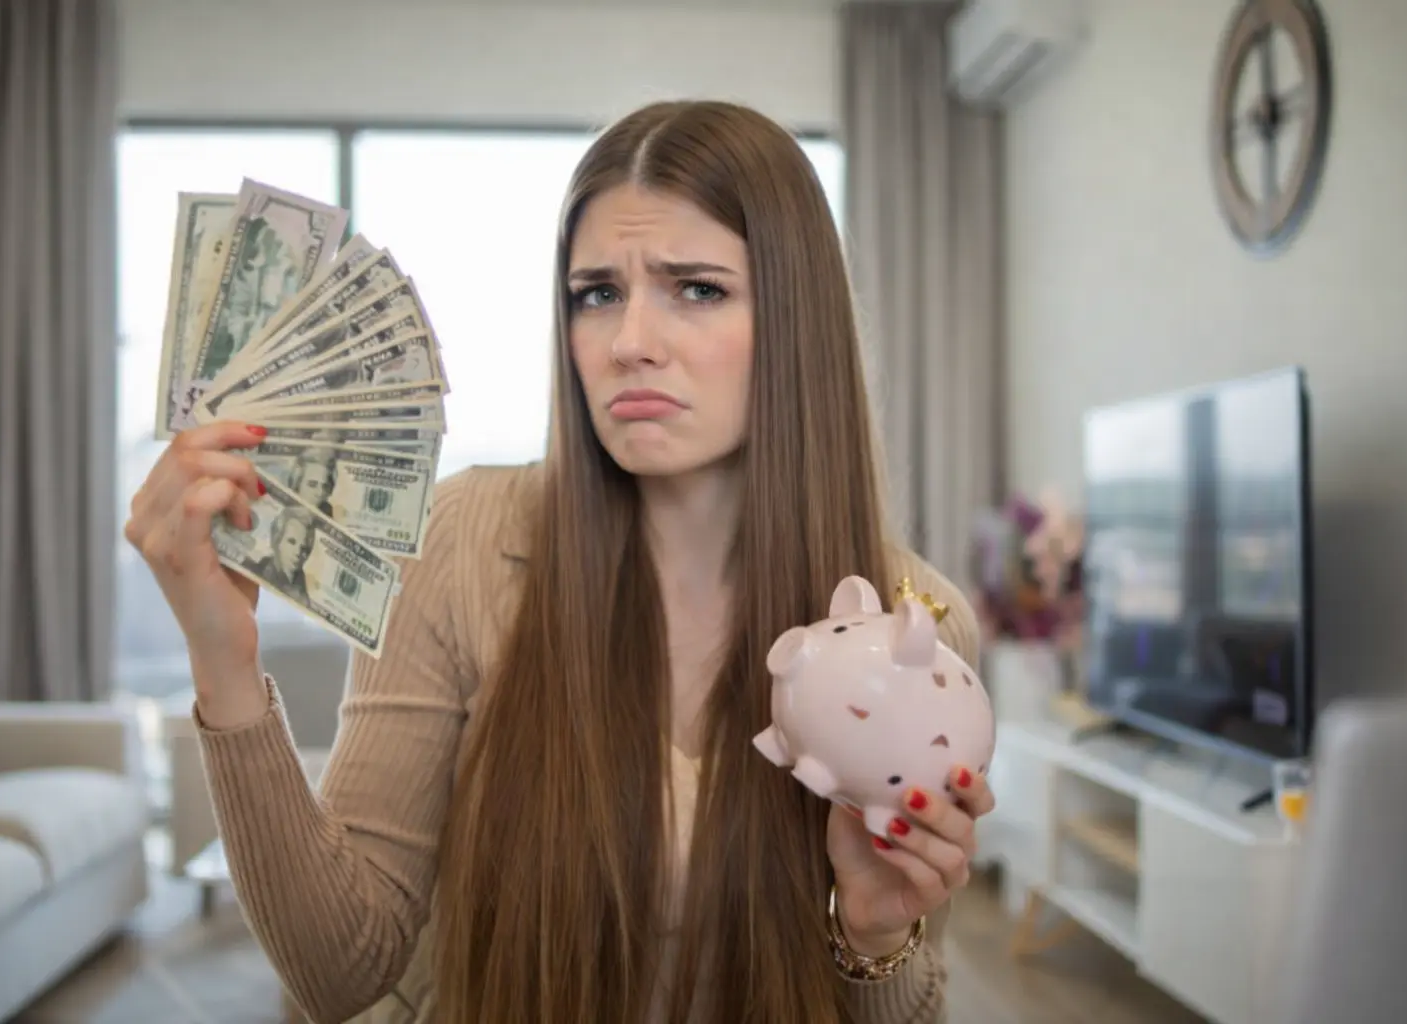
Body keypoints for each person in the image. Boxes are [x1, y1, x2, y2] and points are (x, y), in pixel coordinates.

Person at [125, 99, 996, 1024]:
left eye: (696, 288)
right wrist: (223, 661)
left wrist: (872, 940)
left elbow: (902, 1002)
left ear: (796, 320)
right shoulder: (462, 543)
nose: (629, 344)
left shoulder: (919, 628)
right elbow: (342, 971)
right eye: (597, 294)